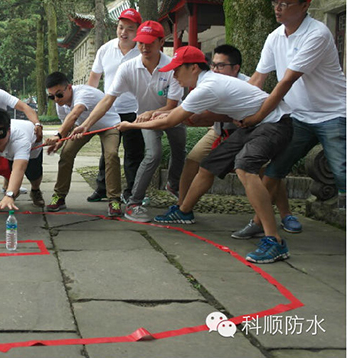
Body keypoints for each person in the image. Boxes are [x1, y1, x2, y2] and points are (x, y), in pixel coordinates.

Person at [121, 45, 293, 264]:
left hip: (275, 123)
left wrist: (131, 125)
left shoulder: (207, 86)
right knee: (208, 164)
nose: (174, 75)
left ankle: (274, 240)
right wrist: (161, 114)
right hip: (250, 125)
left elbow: (170, 121)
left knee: (244, 167)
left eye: (177, 70)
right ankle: (184, 212)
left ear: (194, 68)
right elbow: (193, 116)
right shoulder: (207, 83)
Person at [232, 0, 346, 239]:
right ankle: (259, 222)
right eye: (276, 2)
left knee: (342, 171)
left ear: (304, 6)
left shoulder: (317, 34)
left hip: (333, 113)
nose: (278, 8)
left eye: (285, 3)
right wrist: (240, 109)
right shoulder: (275, 37)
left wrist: (258, 117)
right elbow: (257, 79)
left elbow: (286, 81)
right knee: (275, 168)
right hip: (298, 115)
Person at [72, 21, 186, 222]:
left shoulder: (172, 68)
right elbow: (107, 100)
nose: (144, 47)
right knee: (153, 154)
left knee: (179, 150)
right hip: (145, 118)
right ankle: (134, 202)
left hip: (172, 114)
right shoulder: (128, 68)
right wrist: (86, 124)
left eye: (150, 43)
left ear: (161, 42)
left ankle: (173, 184)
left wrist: (151, 112)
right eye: (141, 42)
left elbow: (171, 105)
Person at [177, 44, 249, 208]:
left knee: (261, 171)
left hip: (247, 131)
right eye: (213, 65)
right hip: (218, 130)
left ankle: (282, 213)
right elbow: (193, 113)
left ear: (236, 68)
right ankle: (181, 206)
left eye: (221, 66)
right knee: (193, 160)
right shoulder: (209, 82)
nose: (215, 70)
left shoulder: (248, 83)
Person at [85, 8, 144, 204]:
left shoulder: (142, 51)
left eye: (130, 29)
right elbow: (94, 78)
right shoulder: (105, 49)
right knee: (108, 153)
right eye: (120, 27)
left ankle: (132, 192)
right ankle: (102, 188)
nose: (123, 33)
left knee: (133, 153)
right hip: (109, 111)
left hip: (135, 111)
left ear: (138, 30)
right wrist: (88, 104)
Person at [44, 71, 122, 217]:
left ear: (69, 87)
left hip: (108, 126)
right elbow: (67, 125)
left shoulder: (83, 93)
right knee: (66, 154)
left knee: (111, 155)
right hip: (83, 128)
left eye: (59, 94)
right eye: (51, 96)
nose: (56, 99)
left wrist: (57, 135)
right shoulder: (60, 104)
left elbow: (74, 114)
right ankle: (59, 196)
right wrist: (59, 142)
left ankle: (114, 199)